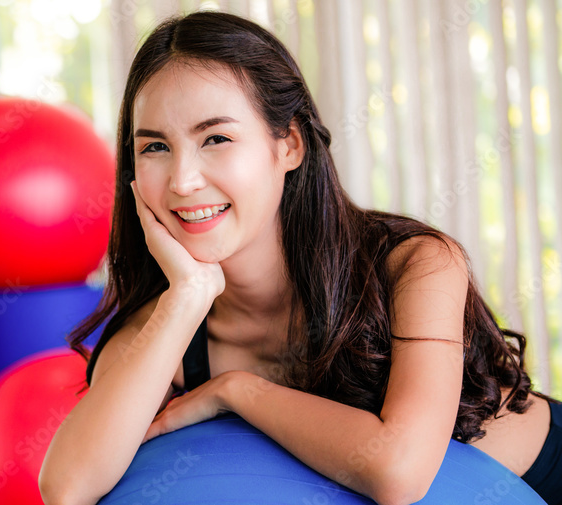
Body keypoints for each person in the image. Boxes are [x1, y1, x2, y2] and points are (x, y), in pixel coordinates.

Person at [38, 10, 561, 505]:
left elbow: (397, 471)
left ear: (288, 144)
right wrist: (187, 297)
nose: (182, 181)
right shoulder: (162, 334)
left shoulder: (415, 265)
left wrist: (238, 391)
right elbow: (67, 487)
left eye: (215, 138)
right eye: (154, 147)